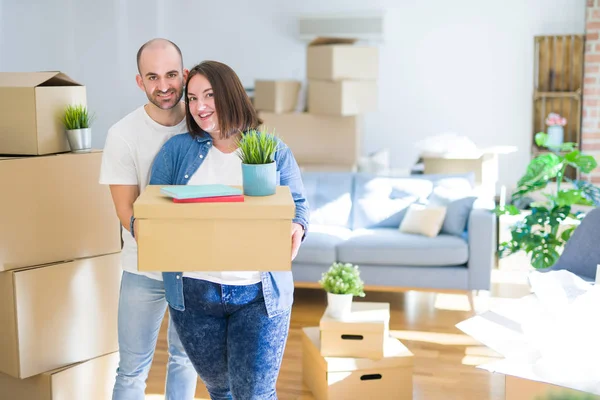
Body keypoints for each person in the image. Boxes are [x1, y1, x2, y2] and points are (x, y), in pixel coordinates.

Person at [146, 60, 309, 399]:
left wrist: (297, 225)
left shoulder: (272, 150)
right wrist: (145, 231)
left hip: (257, 296)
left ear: (230, 95)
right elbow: (147, 213)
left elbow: (299, 207)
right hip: (195, 296)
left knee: (255, 395)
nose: (200, 106)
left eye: (209, 95)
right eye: (191, 98)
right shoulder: (176, 151)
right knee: (221, 391)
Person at [99, 38, 198, 400]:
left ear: (185, 75)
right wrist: (159, 242)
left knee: (185, 359)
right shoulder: (123, 135)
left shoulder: (201, 123)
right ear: (140, 81)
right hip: (144, 268)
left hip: (195, 268)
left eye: (172, 75)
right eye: (153, 77)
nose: (164, 86)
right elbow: (125, 209)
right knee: (131, 371)